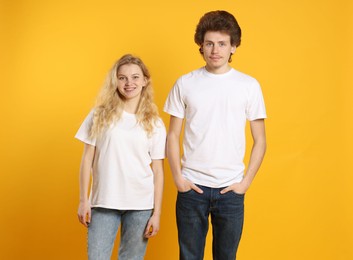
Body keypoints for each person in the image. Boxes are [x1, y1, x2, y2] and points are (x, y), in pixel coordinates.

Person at [164, 10, 267, 260]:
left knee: (226, 257)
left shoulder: (248, 86)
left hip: (230, 190)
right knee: (189, 257)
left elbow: (260, 140)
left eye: (222, 44)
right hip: (192, 188)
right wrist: (178, 178)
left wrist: (245, 183)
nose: (215, 50)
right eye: (209, 43)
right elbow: (171, 135)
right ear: (201, 45)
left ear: (233, 47)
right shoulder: (185, 83)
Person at [75, 54, 166, 259]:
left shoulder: (155, 123)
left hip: (140, 205)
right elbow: (86, 159)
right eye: (122, 77)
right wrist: (83, 200)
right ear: (115, 81)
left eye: (135, 77)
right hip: (104, 201)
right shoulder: (99, 115)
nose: (129, 83)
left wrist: (157, 214)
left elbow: (158, 171)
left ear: (145, 81)